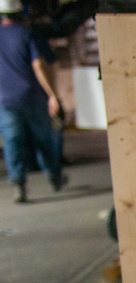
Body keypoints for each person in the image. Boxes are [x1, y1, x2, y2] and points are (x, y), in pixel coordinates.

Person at [0, 0, 63, 204]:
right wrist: (53, 95)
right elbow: (39, 66)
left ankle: (18, 184)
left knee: (12, 141)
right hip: (33, 97)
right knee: (44, 139)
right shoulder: (29, 33)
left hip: (5, 100)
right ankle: (53, 175)